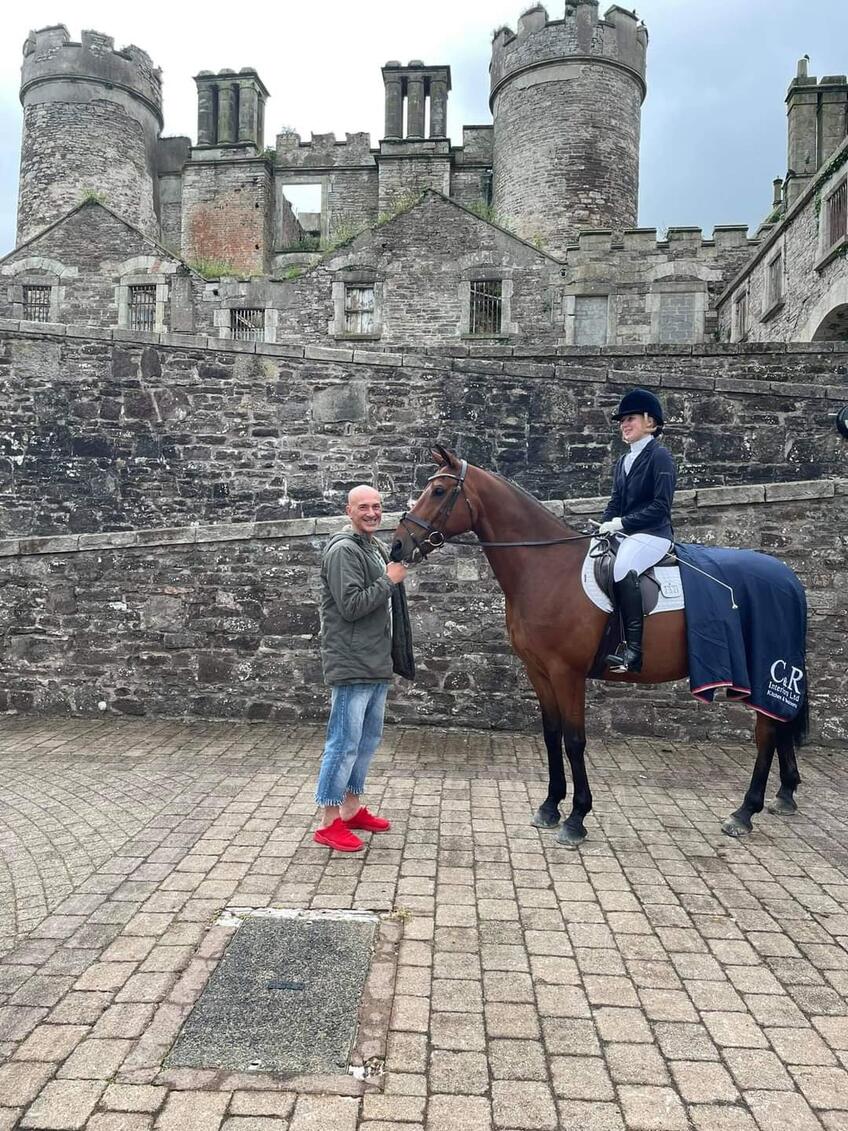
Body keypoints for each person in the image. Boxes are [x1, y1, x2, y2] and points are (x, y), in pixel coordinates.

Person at [313, 484, 408, 852]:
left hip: (375, 661)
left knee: (366, 742)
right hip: (351, 662)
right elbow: (351, 605)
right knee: (343, 743)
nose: (371, 513)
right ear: (348, 511)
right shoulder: (342, 550)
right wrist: (389, 581)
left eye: (377, 506)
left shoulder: (374, 546)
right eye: (363, 507)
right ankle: (328, 821)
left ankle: (351, 809)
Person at [597, 388, 677, 674]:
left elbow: (660, 507)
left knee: (623, 567)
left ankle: (633, 652)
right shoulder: (624, 461)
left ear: (650, 422)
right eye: (622, 421)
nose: (624, 425)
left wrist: (622, 524)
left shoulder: (660, 457)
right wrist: (604, 526)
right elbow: (615, 502)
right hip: (628, 533)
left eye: (630, 418)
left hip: (654, 535)